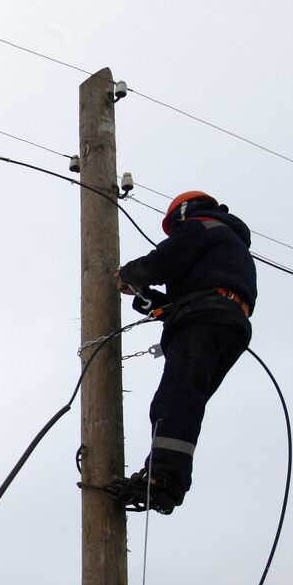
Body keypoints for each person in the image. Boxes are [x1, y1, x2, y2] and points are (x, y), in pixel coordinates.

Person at [105, 190, 256, 514]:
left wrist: (129, 275)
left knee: (175, 399)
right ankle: (163, 476)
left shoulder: (203, 226)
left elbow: (163, 262)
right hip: (224, 321)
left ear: (183, 214)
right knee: (183, 401)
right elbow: (183, 298)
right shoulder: (224, 249)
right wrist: (147, 300)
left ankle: (164, 480)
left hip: (207, 318)